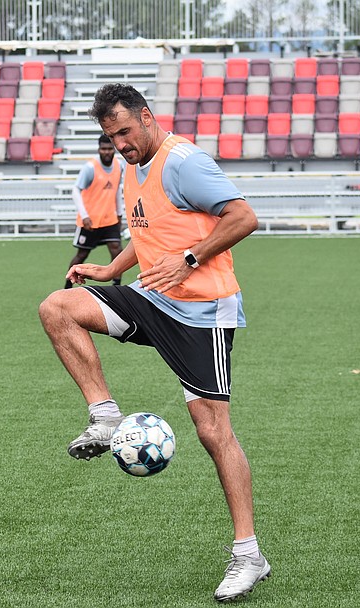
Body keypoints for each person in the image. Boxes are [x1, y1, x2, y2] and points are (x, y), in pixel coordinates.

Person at [38, 84, 268, 602]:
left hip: (202, 314)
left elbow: (244, 217)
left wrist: (189, 259)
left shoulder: (183, 162)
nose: (119, 144)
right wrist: (112, 269)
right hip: (154, 298)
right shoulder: (132, 168)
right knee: (58, 307)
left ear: (146, 117)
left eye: (124, 131)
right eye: (109, 136)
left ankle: (248, 554)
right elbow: (149, 236)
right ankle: (105, 417)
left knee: (213, 433)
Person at [63, 134, 124, 289]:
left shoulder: (119, 166)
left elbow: (116, 189)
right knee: (82, 255)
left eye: (110, 149)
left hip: (110, 219)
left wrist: (120, 212)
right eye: (103, 149)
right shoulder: (90, 168)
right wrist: (84, 216)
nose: (107, 152)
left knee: (117, 250)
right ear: (98, 150)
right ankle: (67, 285)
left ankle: (116, 286)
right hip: (90, 220)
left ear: (114, 149)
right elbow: (75, 190)